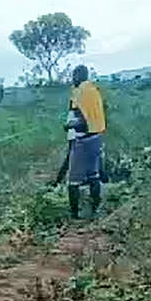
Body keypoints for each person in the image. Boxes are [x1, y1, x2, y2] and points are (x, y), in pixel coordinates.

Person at [66, 64, 106, 219]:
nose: (72, 79)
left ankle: (74, 216)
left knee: (73, 181)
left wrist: (69, 125)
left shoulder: (80, 93)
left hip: (82, 139)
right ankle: (95, 210)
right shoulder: (94, 90)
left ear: (78, 76)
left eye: (74, 76)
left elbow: (81, 121)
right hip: (96, 138)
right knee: (93, 176)